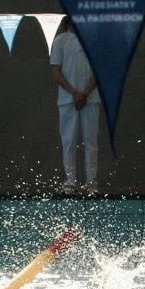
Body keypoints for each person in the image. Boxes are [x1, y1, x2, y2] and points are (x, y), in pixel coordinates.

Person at [48, 18, 99, 191]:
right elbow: (56, 72)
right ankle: (71, 181)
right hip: (67, 100)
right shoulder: (60, 41)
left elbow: (99, 71)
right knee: (68, 141)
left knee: (90, 142)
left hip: (90, 99)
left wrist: (84, 93)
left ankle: (91, 181)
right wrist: (74, 93)